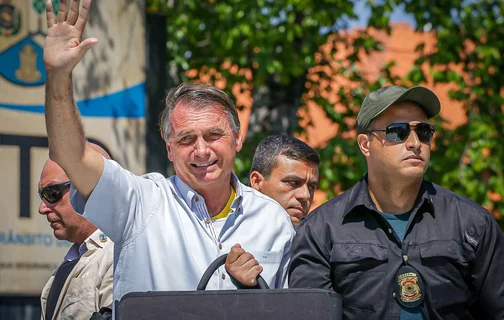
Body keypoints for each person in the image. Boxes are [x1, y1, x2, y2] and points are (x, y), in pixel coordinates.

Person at [42, 0, 294, 304]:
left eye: (214, 135)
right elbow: (72, 155)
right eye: (186, 139)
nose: (202, 150)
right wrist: (58, 76)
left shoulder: (272, 219)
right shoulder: (139, 203)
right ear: (169, 148)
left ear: (237, 139)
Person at [289, 85, 504, 319]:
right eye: (398, 131)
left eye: (423, 132)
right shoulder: (321, 229)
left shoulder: (472, 223)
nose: (414, 142)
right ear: (365, 144)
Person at [39, 143, 114, 320]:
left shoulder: (121, 255)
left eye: (52, 193)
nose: (42, 208)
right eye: (41, 195)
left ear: (90, 186)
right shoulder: (69, 264)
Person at [249, 135, 320, 226]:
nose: (305, 195)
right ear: (257, 182)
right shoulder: (229, 233)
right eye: (294, 183)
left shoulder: (318, 238)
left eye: (311, 187)